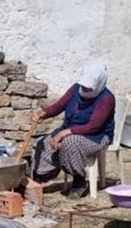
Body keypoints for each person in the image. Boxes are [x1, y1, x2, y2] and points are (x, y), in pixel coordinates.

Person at [31, 63, 115, 199]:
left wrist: (64, 133)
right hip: (70, 129)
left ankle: (79, 180)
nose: (85, 88)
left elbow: (94, 126)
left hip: (96, 135)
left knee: (70, 143)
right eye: (84, 85)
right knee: (44, 142)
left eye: (89, 87)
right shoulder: (76, 88)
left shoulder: (107, 98)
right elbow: (59, 105)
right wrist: (43, 113)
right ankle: (40, 177)